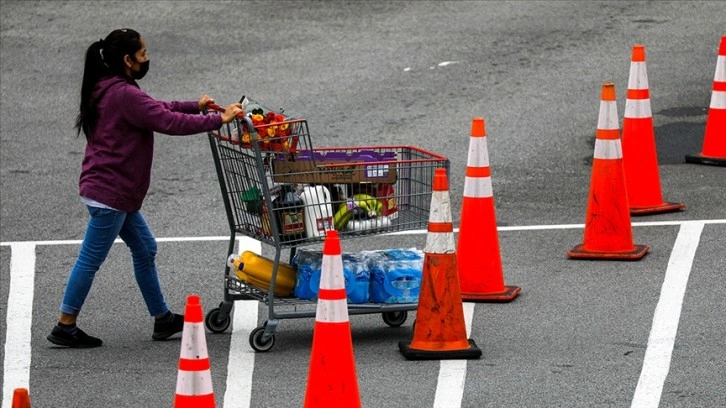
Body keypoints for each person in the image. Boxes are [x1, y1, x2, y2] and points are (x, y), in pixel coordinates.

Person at [47, 28, 243, 348]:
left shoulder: (109, 87)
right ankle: (65, 324)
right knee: (90, 259)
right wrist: (217, 121)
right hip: (111, 194)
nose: (147, 58)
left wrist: (196, 105)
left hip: (112, 191)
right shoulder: (125, 94)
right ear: (127, 60)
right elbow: (168, 122)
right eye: (143, 54)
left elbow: (159, 107)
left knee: (145, 248)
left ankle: (162, 319)